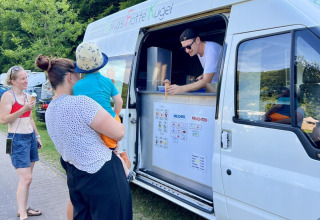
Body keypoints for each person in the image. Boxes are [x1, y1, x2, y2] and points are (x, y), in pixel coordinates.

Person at [35, 54, 132, 220]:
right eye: (79, 75)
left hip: (75, 174)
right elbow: (119, 133)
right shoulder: (81, 103)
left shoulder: (50, 109)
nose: (81, 79)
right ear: (70, 77)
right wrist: (116, 119)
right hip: (102, 174)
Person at [73, 42, 131, 173]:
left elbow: (79, 109)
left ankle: (123, 172)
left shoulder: (78, 86)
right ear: (100, 64)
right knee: (114, 150)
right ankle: (126, 172)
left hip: (93, 125)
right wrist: (114, 116)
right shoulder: (107, 81)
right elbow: (119, 102)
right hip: (110, 125)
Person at [0, 66, 43, 220]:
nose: (26, 81)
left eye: (26, 77)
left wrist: (37, 136)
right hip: (17, 139)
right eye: (23, 78)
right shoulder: (8, 96)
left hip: (30, 138)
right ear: (13, 81)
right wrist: (23, 108)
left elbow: (30, 117)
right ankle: (22, 213)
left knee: (27, 178)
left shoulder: (27, 96)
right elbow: (3, 120)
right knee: (26, 178)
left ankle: (23, 208)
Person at [165, 28, 223, 94]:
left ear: (197, 40)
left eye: (188, 46)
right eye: (184, 48)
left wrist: (181, 88)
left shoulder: (211, 51)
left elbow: (206, 81)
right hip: (215, 86)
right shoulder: (198, 50)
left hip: (223, 88)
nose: (187, 51)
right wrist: (203, 75)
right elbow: (215, 66)